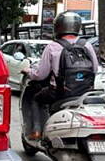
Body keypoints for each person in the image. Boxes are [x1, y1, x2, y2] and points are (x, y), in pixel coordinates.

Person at [22, 12, 99, 140]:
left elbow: (41, 75)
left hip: (60, 93)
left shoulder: (53, 46)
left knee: (36, 99)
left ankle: (36, 131)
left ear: (58, 27)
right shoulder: (87, 45)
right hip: (85, 93)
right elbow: (95, 69)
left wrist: (28, 71)